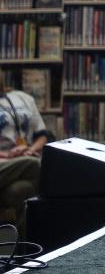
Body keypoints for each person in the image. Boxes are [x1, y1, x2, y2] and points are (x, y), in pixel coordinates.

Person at [0, 89, 50, 230]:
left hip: (21, 162)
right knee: (35, 164)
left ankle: (23, 246)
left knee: (22, 190)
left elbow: (42, 135)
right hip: (7, 162)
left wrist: (31, 150)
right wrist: (7, 155)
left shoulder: (23, 98)